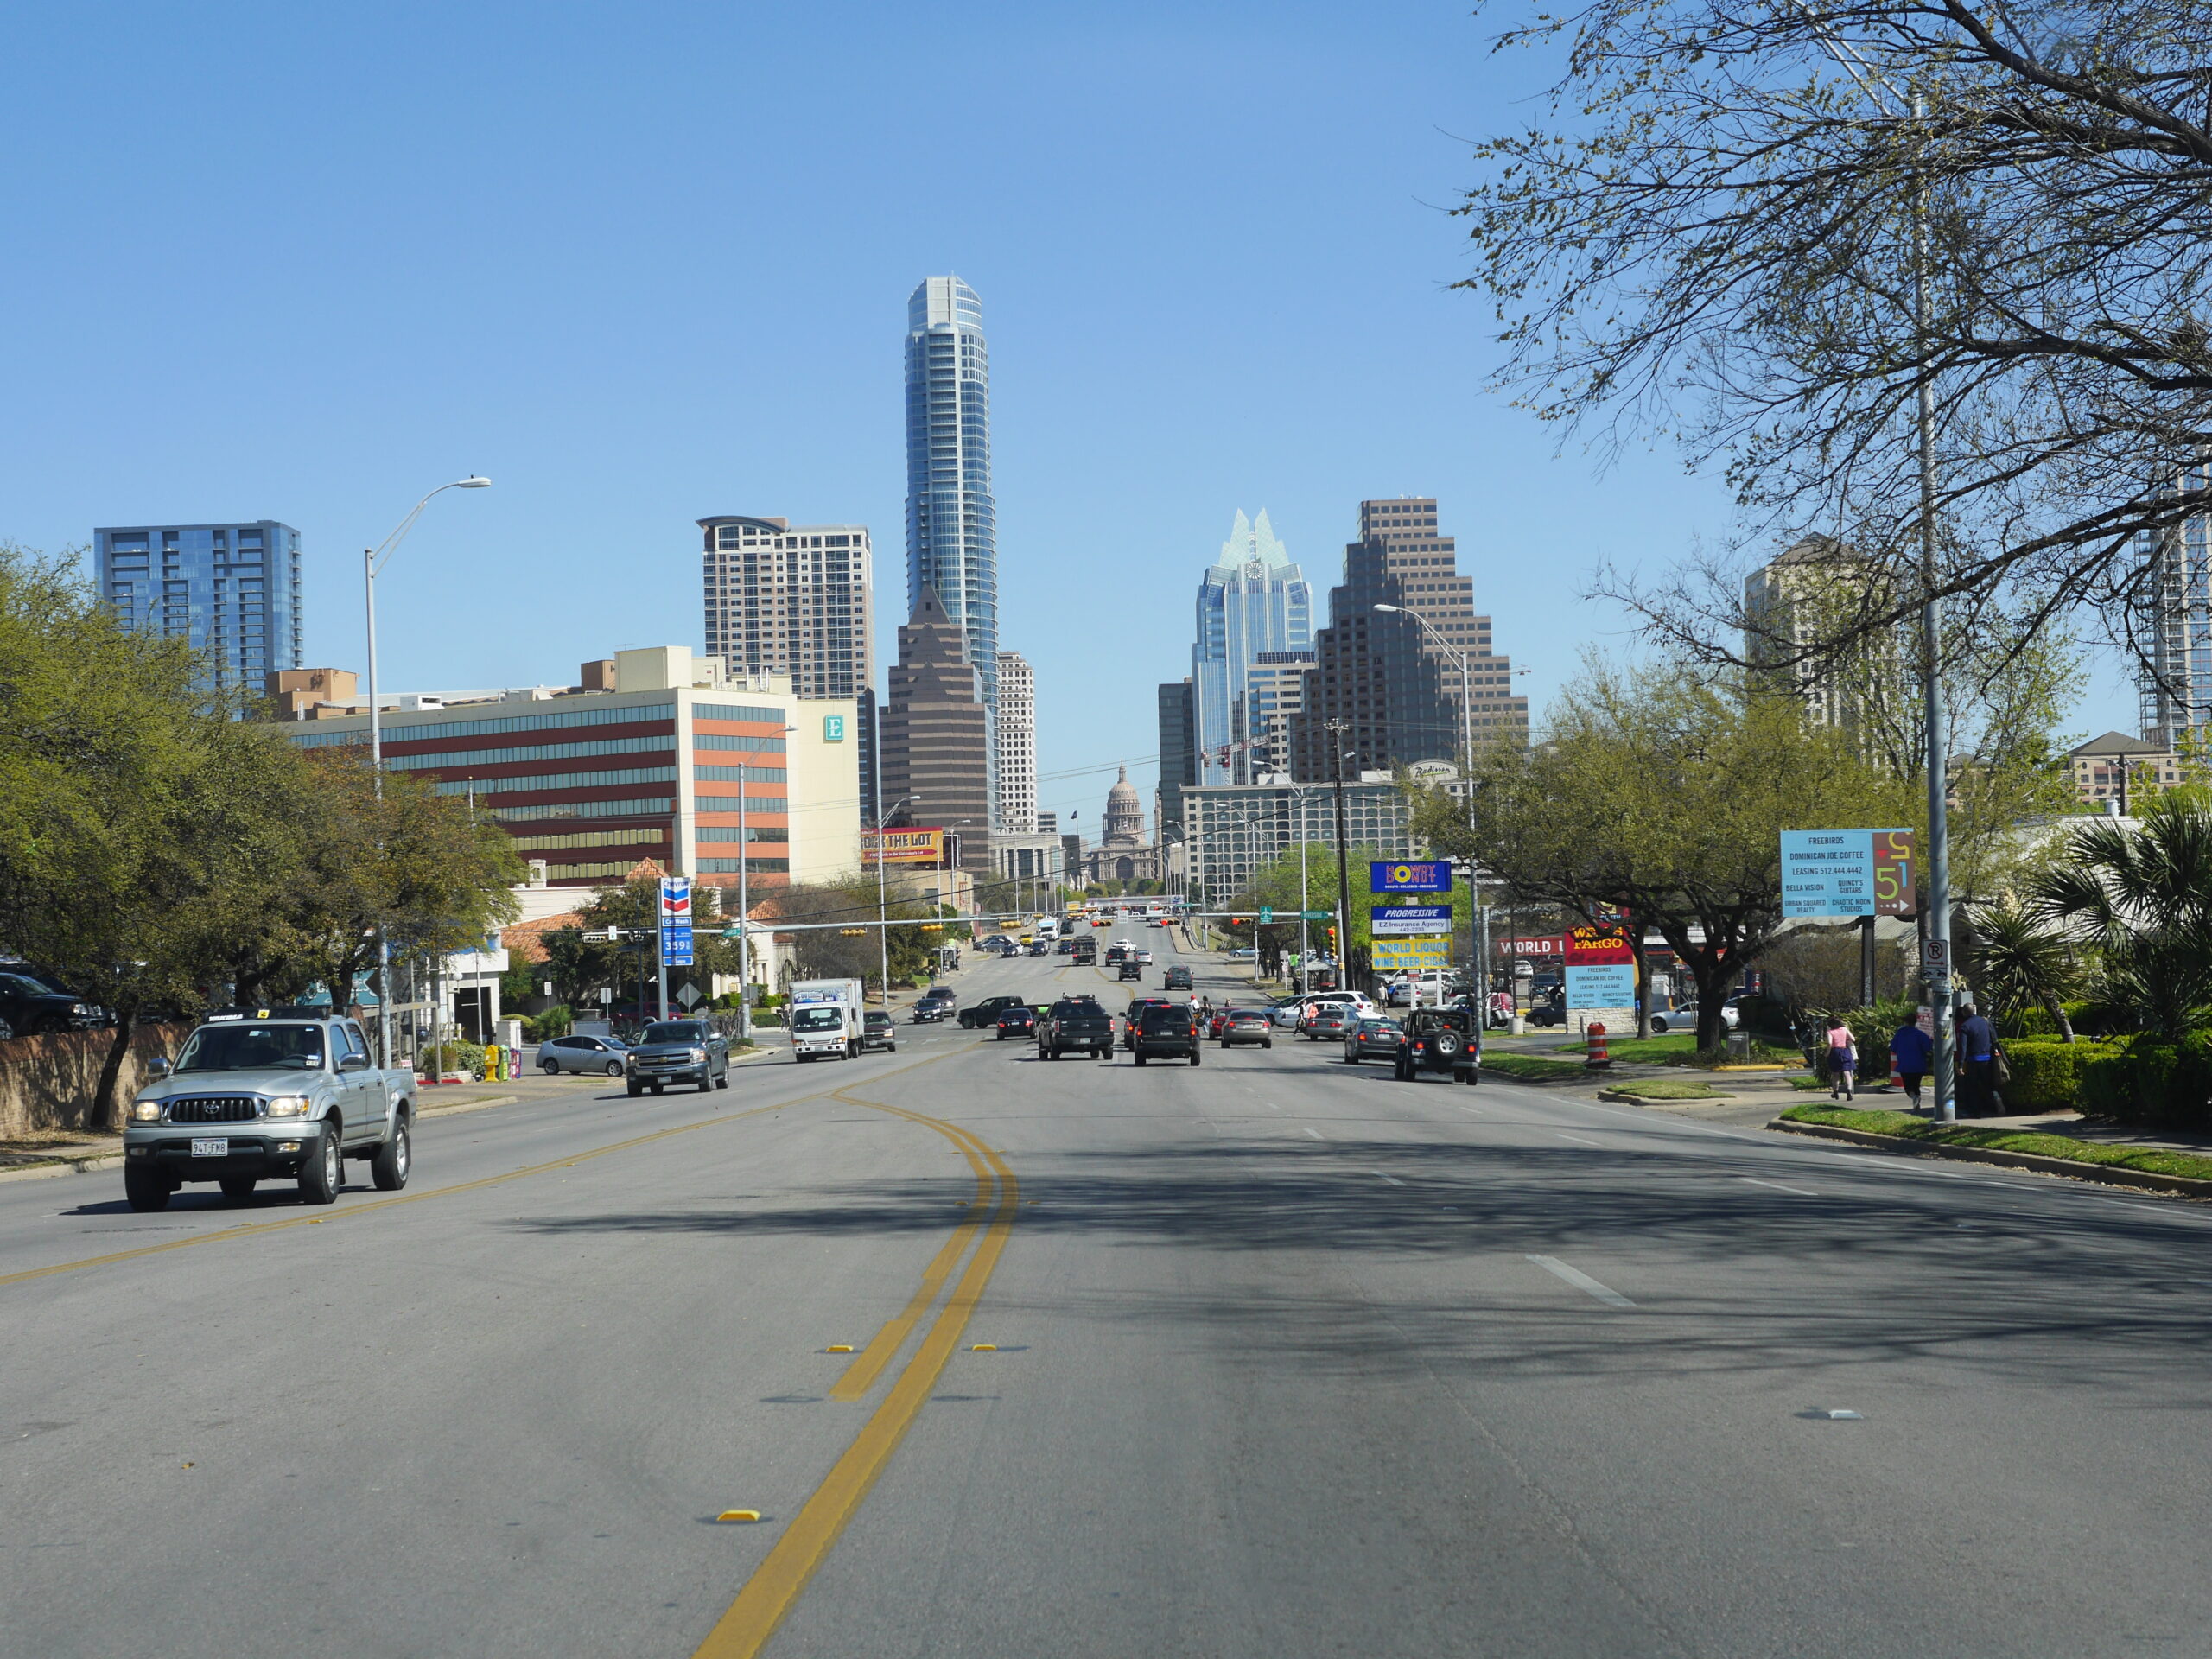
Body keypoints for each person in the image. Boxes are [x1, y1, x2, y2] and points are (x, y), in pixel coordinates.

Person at [1957, 1001, 1999, 1116]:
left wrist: (1961, 1065)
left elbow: (1963, 1047)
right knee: (1987, 1084)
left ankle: (1975, 1111)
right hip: (1987, 1058)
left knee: (1973, 1087)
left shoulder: (1965, 1026)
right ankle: (1994, 1103)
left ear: (1964, 1012)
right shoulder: (1984, 1022)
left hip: (1973, 1059)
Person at [1890, 1016, 1934, 1110]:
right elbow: (1928, 1047)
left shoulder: (1899, 1034)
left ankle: (1914, 1097)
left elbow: (1893, 1047)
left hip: (1905, 1065)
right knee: (1916, 1085)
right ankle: (1917, 1101)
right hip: (1919, 1064)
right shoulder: (1920, 1034)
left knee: (1908, 1086)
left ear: (1905, 1022)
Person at [1825, 1016, 1858, 1101]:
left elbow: (1829, 1043)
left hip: (1835, 1052)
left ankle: (1835, 1092)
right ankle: (1849, 1092)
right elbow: (1853, 1039)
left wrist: (1827, 1053)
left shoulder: (1830, 1032)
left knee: (1835, 1074)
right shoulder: (1844, 1029)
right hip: (1844, 1051)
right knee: (1847, 1073)